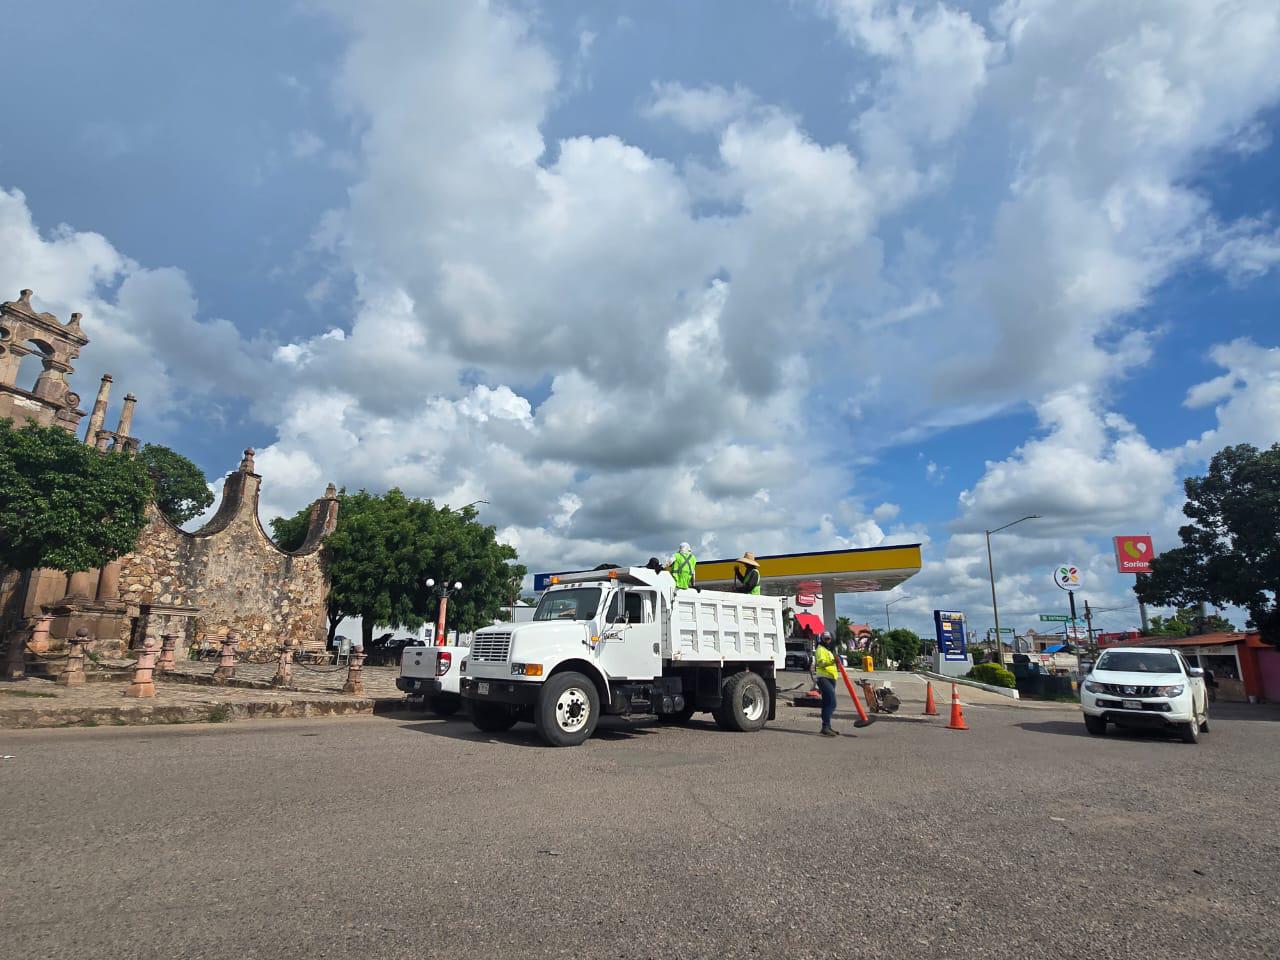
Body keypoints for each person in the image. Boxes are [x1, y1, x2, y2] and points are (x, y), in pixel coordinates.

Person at [814, 632, 840, 737]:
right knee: (832, 702)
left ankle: (827, 727)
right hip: (824, 678)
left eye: (828, 639)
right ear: (822, 639)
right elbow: (820, 663)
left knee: (826, 703)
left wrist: (836, 661)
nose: (827, 641)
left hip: (831, 678)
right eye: (825, 639)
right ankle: (825, 727)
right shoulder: (820, 649)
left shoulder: (828, 650)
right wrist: (833, 661)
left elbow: (833, 663)